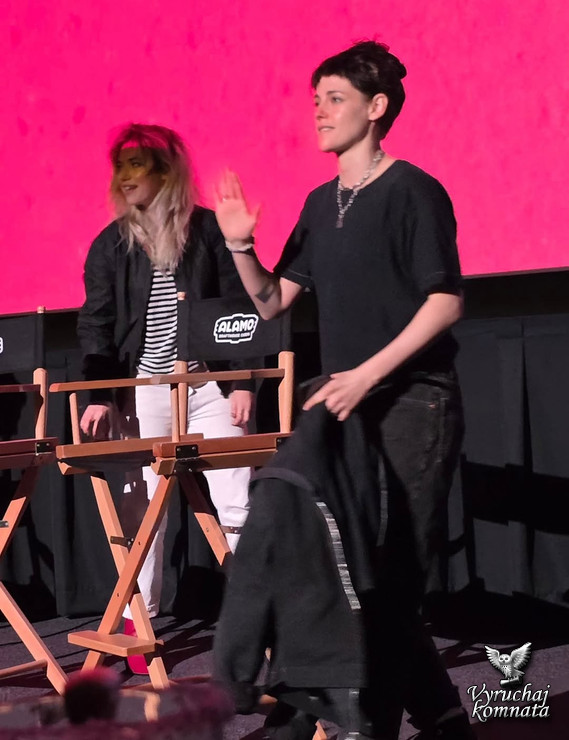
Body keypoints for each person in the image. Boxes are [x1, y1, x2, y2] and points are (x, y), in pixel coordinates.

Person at [213, 41, 475, 740]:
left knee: (391, 583)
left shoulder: (412, 190)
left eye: (335, 99)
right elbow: (273, 301)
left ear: (376, 106)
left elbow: (445, 302)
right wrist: (240, 246)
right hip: (347, 409)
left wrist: (366, 373)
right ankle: (445, 721)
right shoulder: (317, 202)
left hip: (413, 404)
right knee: (360, 576)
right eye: (316, 100)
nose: (320, 112)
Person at [77, 123, 254, 674]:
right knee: (143, 511)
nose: (124, 177)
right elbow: (97, 325)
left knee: (237, 500)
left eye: (136, 164)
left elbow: (238, 304)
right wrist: (102, 394)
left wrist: (241, 381)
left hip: (206, 387)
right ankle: (142, 619)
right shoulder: (110, 245)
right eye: (119, 166)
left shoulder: (206, 231)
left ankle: (256, 614)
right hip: (145, 392)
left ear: (165, 169)